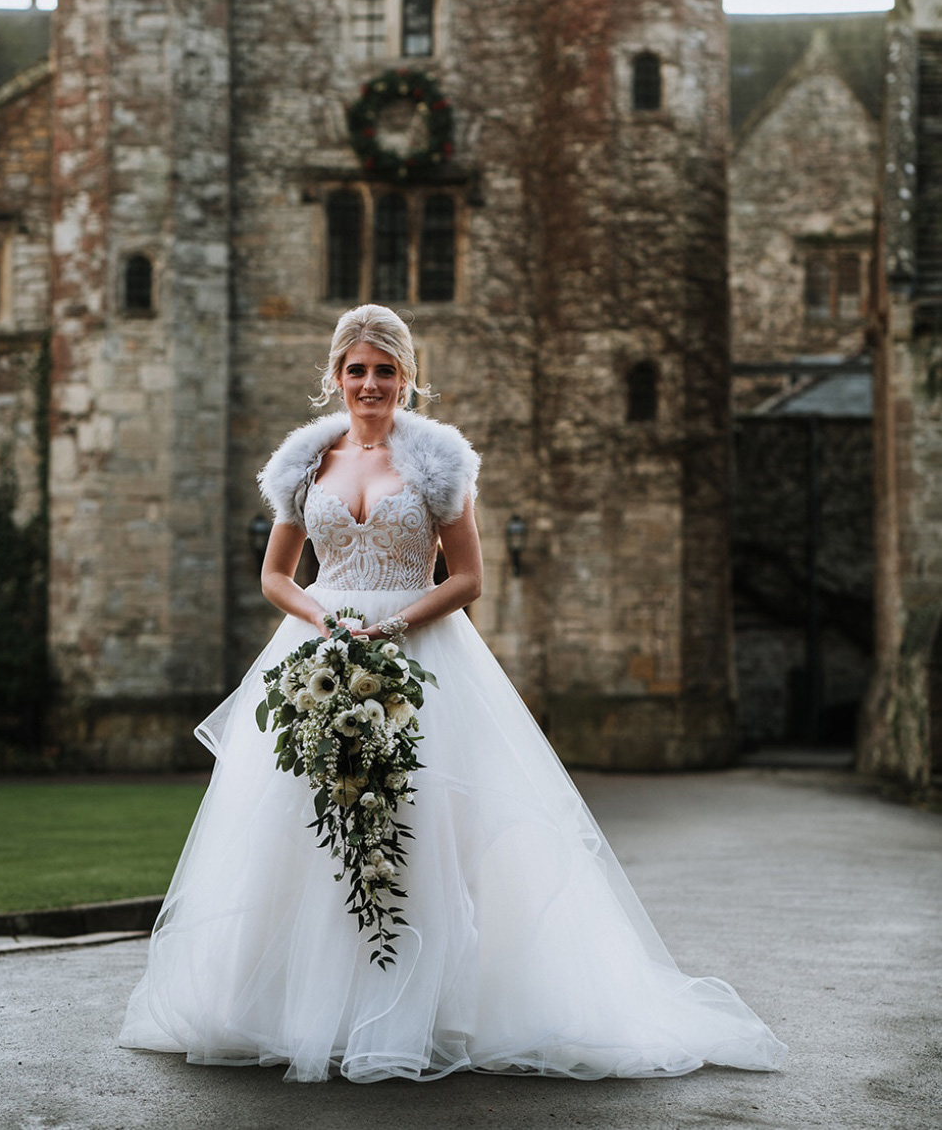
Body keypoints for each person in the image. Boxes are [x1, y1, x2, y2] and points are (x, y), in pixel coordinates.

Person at [120, 304, 786, 1083]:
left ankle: (428, 1008)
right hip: (319, 650)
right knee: (306, 826)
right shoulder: (303, 461)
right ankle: (301, 1008)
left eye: (385, 369)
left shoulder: (438, 461)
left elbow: (469, 576)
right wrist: (321, 613)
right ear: (335, 377)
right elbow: (274, 574)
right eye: (357, 369)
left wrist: (398, 620)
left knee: (421, 827)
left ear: (407, 377)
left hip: (422, 655)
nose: (370, 383)